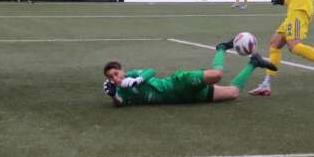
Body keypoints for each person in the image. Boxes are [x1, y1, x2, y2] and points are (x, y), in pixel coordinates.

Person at [102, 40, 277, 106]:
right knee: (233, 93)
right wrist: (112, 95)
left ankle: (221, 48)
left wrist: (137, 80)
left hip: (179, 84)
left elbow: (151, 71)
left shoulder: (131, 75)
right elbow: (120, 103)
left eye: (116, 73)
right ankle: (254, 63)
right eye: (111, 77)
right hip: (187, 99)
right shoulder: (119, 91)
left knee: (217, 75)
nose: (115, 78)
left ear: (122, 71)